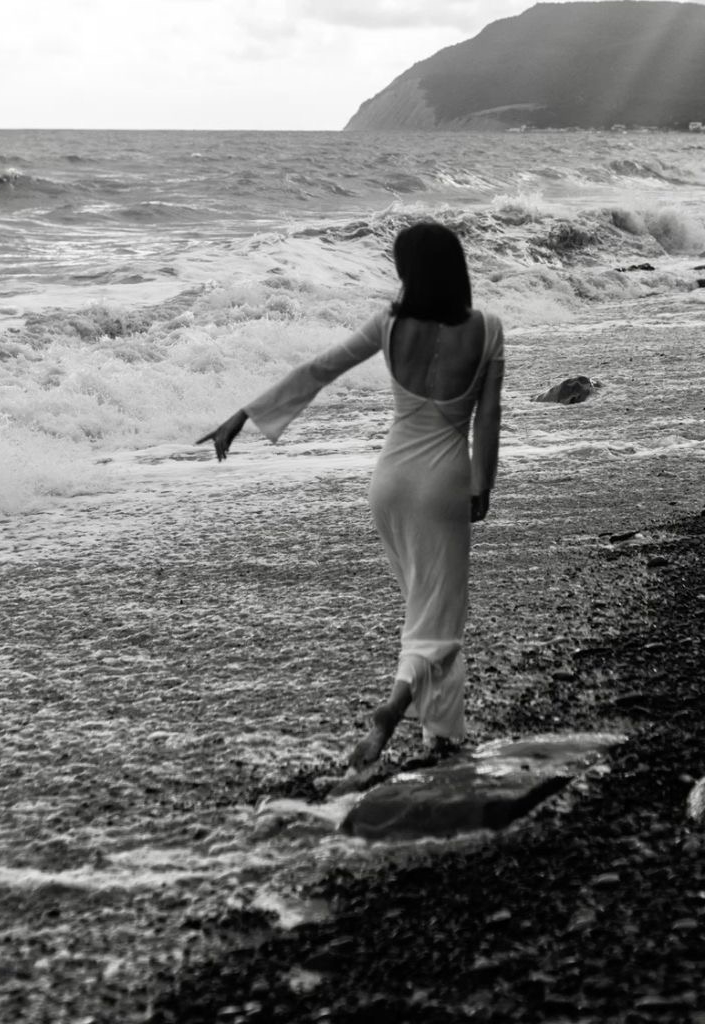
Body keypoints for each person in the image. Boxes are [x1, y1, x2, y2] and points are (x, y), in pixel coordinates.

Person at [198, 220, 504, 770]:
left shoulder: (389, 324)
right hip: (443, 481)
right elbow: (488, 416)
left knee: (422, 605)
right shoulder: (489, 328)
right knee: (440, 616)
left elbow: (319, 369)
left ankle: (440, 734)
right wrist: (484, 482)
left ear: (409, 273)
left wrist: (245, 414)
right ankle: (393, 710)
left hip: (390, 481)